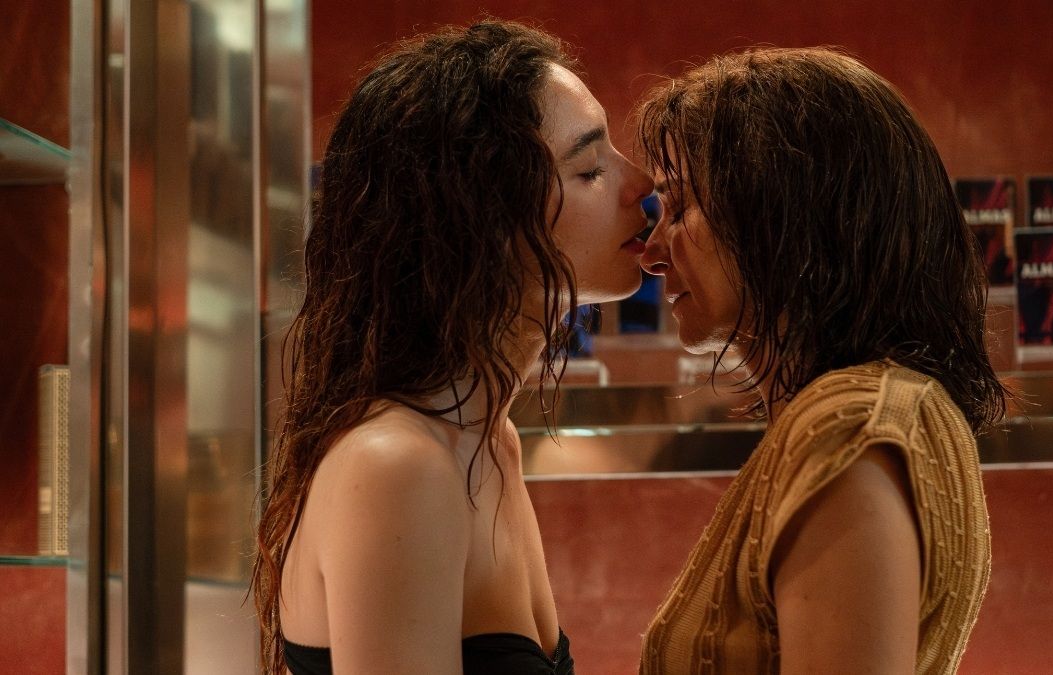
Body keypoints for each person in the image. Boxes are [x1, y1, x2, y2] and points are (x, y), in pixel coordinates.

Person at [250, 20, 654, 675]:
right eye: (588, 169)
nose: (640, 182)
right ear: (481, 223)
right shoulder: (398, 464)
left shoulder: (489, 438)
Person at [635, 47, 1007, 674]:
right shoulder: (887, 407)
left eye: (678, 207)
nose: (651, 252)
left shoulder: (851, 423)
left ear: (781, 210)